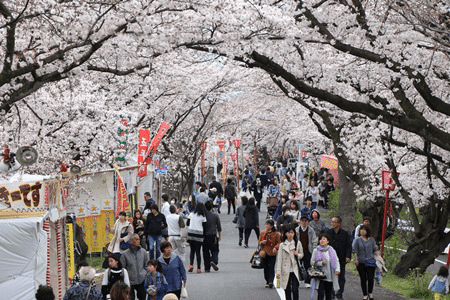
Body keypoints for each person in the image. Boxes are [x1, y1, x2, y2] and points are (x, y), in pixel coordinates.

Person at [327, 216, 352, 300]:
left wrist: (348, 256)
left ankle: (339, 293)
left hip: (341, 258)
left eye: (334, 222)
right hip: (330, 258)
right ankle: (331, 294)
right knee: (330, 276)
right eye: (332, 222)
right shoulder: (328, 233)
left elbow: (349, 246)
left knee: (341, 277)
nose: (332, 224)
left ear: (339, 224)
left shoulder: (345, 234)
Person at [276, 226, 304, 300]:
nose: (290, 234)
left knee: (295, 289)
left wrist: (297, 254)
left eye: (292, 232)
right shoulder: (282, 245)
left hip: (295, 269)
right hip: (285, 269)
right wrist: (278, 272)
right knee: (287, 289)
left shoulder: (297, 243)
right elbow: (279, 259)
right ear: (285, 234)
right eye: (288, 232)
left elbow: (302, 254)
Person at [311, 233, 340, 300]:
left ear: (327, 241)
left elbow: (336, 261)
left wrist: (337, 269)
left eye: (324, 239)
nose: (322, 240)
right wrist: (321, 263)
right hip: (320, 276)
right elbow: (312, 262)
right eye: (320, 239)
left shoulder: (331, 250)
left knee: (328, 295)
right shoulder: (316, 250)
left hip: (329, 276)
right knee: (320, 294)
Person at [352, 225, 378, 300]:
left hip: (370, 261)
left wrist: (379, 257)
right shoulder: (357, 240)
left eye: (364, 230)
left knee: (370, 278)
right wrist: (356, 259)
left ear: (367, 231)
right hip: (361, 262)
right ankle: (365, 294)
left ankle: (370, 292)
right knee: (363, 279)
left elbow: (374, 249)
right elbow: (355, 250)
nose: (362, 231)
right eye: (361, 230)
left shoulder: (372, 240)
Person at [120, 234, 149, 300]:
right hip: (130, 281)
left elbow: (146, 265)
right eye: (136, 239)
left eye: (139, 239)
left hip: (142, 280)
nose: (138, 241)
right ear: (131, 241)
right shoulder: (125, 254)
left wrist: (145, 274)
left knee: (142, 297)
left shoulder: (144, 252)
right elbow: (123, 269)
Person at [258, 219, 281, 288]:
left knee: (271, 267)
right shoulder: (262, 233)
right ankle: (267, 280)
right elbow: (259, 242)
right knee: (266, 267)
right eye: (266, 225)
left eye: (268, 225)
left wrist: (276, 247)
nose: (266, 226)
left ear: (271, 226)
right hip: (264, 252)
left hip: (272, 253)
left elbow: (279, 242)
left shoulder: (276, 234)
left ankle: (271, 281)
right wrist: (262, 242)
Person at [296, 216, 318, 288]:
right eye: (302, 221)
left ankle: (307, 281)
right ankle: (297, 280)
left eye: (305, 221)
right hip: (298, 251)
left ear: (308, 222)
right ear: (300, 222)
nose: (304, 222)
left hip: (308, 250)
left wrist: (314, 250)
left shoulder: (311, 230)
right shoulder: (296, 230)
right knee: (297, 266)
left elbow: (314, 241)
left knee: (308, 266)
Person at [187, 202, 207, 273]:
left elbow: (187, 223)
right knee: (198, 251)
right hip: (199, 234)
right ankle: (198, 268)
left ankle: (191, 265)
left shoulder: (191, 214)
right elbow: (205, 226)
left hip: (191, 233)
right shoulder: (203, 216)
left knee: (192, 250)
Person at [203, 200, 222, 272]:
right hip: (213, 235)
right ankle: (214, 260)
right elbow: (219, 227)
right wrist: (219, 235)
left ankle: (207, 267)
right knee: (215, 250)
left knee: (205, 252)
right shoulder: (215, 215)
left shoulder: (203, 216)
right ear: (211, 207)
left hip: (204, 236)